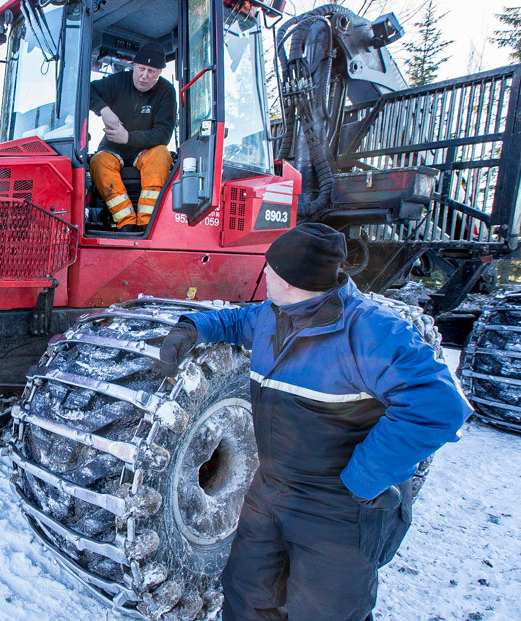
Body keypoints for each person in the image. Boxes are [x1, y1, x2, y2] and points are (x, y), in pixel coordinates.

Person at [159, 223, 471, 620]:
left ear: (291, 279)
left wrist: (362, 479)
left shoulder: (371, 331)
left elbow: (440, 408)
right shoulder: (277, 315)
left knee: (323, 612)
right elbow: (241, 321)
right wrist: (195, 326)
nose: (265, 274)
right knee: (246, 599)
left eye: (270, 267)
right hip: (271, 489)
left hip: (335, 507)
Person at [89, 40, 176, 231]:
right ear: (134, 66)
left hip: (146, 150)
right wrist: (103, 110)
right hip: (112, 149)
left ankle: (148, 224)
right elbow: (87, 90)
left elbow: (163, 134)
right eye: (141, 68)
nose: (144, 76)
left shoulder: (166, 92)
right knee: (98, 162)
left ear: (159, 73)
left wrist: (128, 138)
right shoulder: (119, 81)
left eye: (151, 71)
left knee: (162, 154)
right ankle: (126, 223)